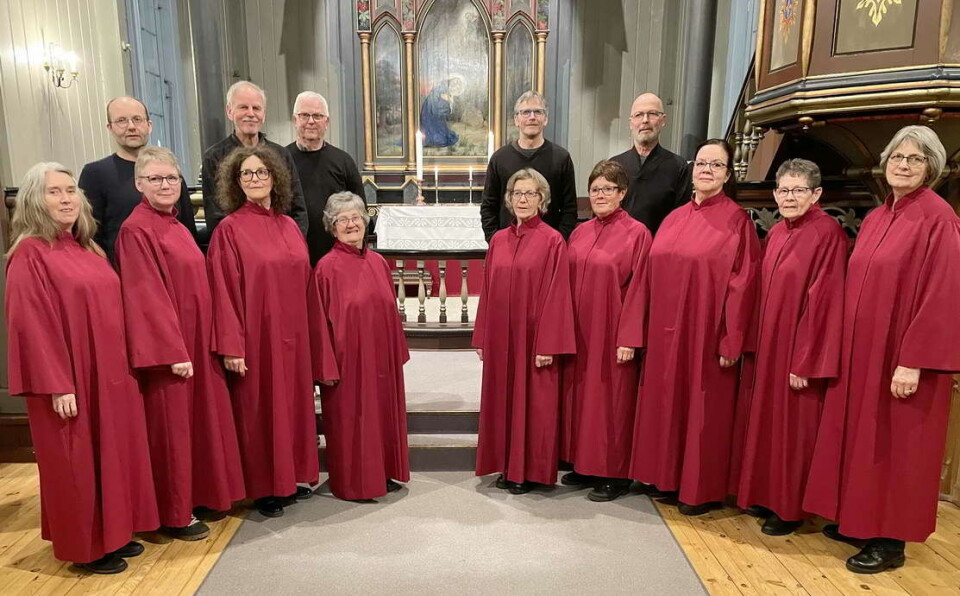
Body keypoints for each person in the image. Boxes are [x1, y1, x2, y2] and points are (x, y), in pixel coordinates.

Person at [803, 125, 960, 573]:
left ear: (932, 167)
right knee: (863, 439)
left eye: (915, 159)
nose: (903, 165)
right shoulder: (877, 216)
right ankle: (860, 518)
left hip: (900, 357)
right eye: (897, 157)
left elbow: (943, 296)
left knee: (897, 447)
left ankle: (889, 540)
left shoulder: (939, 218)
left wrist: (913, 361)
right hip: (863, 354)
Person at [5, 163, 158, 574]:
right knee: (76, 463)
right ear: (35, 200)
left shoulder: (88, 248)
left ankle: (115, 533)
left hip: (108, 375)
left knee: (112, 455)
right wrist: (57, 384)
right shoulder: (29, 255)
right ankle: (86, 547)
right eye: (54, 192)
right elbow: (32, 326)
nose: (66, 198)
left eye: (71, 190)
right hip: (70, 380)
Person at [114, 146, 246, 539]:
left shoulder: (174, 224)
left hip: (196, 340)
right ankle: (174, 513)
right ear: (139, 184)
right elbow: (145, 296)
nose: (166, 184)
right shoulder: (136, 229)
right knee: (172, 431)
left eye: (172, 178)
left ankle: (201, 495)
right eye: (155, 178)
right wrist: (171, 352)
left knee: (198, 425)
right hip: (172, 352)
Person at [630, 139, 760, 516]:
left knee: (703, 411)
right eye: (702, 163)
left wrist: (731, 340)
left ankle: (700, 490)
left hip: (705, 335)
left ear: (727, 174)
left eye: (716, 165)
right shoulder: (673, 218)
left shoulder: (737, 220)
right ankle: (666, 478)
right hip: (664, 334)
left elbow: (743, 284)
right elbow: (648, 278)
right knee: (666, 405)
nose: (707, 170)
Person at [734, 159, 846, 536]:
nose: (789, 197)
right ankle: (765, 495)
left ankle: (790, 507)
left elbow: (824, 300)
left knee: (793, 429)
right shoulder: (779, 232)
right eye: (783, 190)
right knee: (766, 423)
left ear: (817, 194)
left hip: (797, 350)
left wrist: (806, 360)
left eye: (798, 190)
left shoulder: (827, 233)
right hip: (769, 345)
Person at [207, 145, 319, 518]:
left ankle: (293, 477)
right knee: (260, 410)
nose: (255, 179)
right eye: (247, 174)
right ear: (236, 183)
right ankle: (265, 486)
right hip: (257, 336)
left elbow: (305, 283)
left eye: (261, 172)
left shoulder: (288, 225)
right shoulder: (230, 230)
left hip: (294, 335)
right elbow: (221, 291)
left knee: (292, 405)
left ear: (275, 177)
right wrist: (231, 345)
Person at [473, 168, 575, 494]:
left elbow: (558, 295)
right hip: (503, 337)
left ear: (542, 200)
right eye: (517, 193)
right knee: (502, 400)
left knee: (535, 404)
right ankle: (506, 464)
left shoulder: (552, 241)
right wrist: (482, 336)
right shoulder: (499, 240)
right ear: (508, 199)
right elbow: (487, 290)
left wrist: (547, 343)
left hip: (533, 340)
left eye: (530, 193)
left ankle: (531, 470)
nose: (522, 199)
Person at [308, 192, 410, 501]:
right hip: (346, 362)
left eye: (356, 218)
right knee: (352, 421)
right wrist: (325, 366)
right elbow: (317, 322)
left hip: (380, 357)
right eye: (343, 220)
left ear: (365, 222)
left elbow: (391, 312)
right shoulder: (325, 268)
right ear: (332, 226)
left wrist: (395, 354)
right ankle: (353, 484)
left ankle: (382, 473)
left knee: (380, 415)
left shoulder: (379, 262)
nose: (351, 224)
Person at [560, 160, 651, 502]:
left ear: (622, 193)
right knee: (583, 400)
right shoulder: (580, 232)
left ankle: (615, 473)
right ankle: (584, 464)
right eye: (595, 188)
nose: (600, 195)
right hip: (580, 332)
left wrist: (629, 337)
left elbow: (641, 287)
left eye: (608, 189)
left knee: (612, 403)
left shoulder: (637, 233)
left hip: (612, 332)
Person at [78, 96, 197, 262]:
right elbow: (88, 235)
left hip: (175, 267)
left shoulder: (168, 169)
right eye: (121, 121)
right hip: (125, 272)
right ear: (110, 127)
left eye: (137, 119)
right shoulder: (95, 173)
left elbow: (187, 226)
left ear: (149, 126)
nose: (131, 127)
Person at [201, 81, 308, 238]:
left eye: (256, 108)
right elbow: (215, 217)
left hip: (281, 244)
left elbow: (298, 209)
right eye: (243, 107)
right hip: (239, 246)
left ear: (263, 115)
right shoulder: (214, 157)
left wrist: (292, 243)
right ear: (229, 111)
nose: (250, 113)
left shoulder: (281, 154)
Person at [481, 91, 578, 241]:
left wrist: (558, 242)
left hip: (548, 247)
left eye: (538, 112)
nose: (532, 117)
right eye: (525, 112)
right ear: (516, 119)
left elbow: (569, 209)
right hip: (507, 245)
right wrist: (495, 241)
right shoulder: (499, 159)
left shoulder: (561, 158)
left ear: (545, 119)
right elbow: (488, 207)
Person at [286, 91, 365, 264]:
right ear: (295, 120)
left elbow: (361, 211)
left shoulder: (343, 161)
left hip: (337, 256)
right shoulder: (281, 159)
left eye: (318, 116)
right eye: (305, 115)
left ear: (327, 122)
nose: (311, 121)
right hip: (292, 254)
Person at [610, 93, 691, 233]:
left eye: (652, 114)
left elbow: (682, 220)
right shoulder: (615, 165)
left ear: (663, 120)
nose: (645, 120)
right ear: (630, 123)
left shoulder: (679, 167)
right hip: (619, 248)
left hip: (659, 248)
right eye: (639, 115)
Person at [420, 77, 462, 147]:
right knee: (439, 139)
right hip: (430, 112)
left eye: (458, 85)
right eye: (454, 83)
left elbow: (447, 110)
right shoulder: (441, 89)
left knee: (442, 138)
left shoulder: (447, 91)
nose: (456, 86)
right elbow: (438, 104)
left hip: (437, 115)